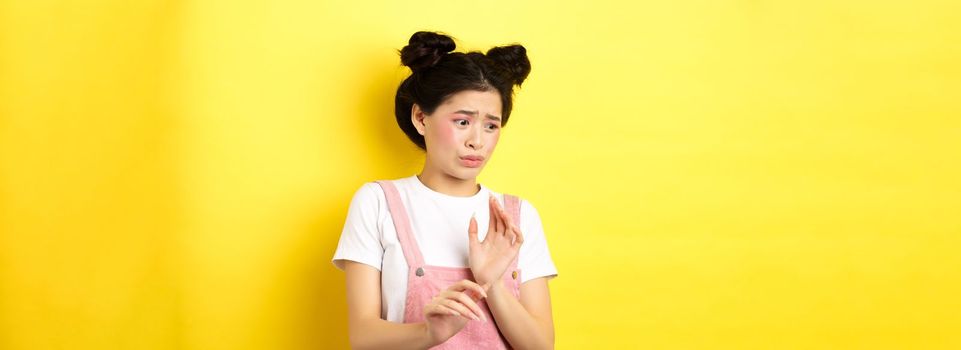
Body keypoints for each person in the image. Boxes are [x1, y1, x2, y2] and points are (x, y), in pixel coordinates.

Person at [331, 31, 558, 349]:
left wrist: (490, 283)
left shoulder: (518, 217)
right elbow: (363, 337)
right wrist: (429, 333)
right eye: (463, 122)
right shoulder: (378, 202)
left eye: (491, 125)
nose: (477, 141)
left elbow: (541, 346)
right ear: (421, 118)